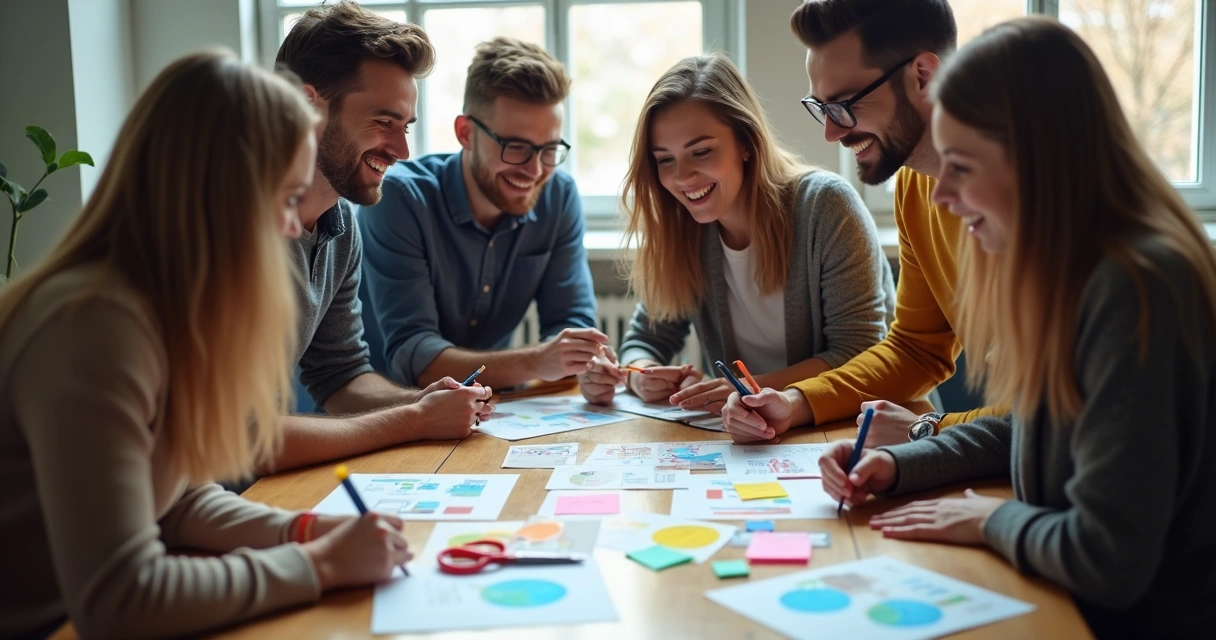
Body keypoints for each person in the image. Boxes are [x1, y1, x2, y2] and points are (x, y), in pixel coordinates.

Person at [818, 18, 1216, 638]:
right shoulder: (1073, 266)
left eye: (962, 166)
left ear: (1037, 155)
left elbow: (1106, 556)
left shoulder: (1133, 287)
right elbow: (1035, 423)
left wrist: (986, 522)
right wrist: (904, 462)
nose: (942, 195)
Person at [0, 51, 412, 640]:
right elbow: (120, 599)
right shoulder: (94, 328)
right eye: (288, 199)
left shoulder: (166, 309)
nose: (296, 229)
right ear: (221, 196)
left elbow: (181, 498)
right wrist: (318, 564)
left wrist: (303, 532)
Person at [722, 0, 1007, 446]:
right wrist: (795, 402)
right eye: (822, 108)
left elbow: (1053, 414)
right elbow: (917, 348)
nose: (831, 133)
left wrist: (925, 430)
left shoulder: (1034, 189)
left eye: (844, 105)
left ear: (923, 77)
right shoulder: (915, 186)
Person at [578, 53, 894, 414]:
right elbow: (645, 340)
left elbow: (859, 353)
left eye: (701, 151)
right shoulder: (684, 227)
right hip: (754, 433)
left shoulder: (826, 206)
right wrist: (638, 375)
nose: (682, 177)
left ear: (746, 142)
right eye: (665, 159)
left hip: (855, 423)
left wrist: (743, 388)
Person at [269, 2, 492, 473]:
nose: (402, 150)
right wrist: (410, 420)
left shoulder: (342, 224)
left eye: (405, 126)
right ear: (306, 105)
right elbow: (244, 435)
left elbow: (340, 375)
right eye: (382, 122)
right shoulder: (227, 225)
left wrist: (419, 402)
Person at [358, 37, 603, 391]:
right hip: (388, 411)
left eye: (549, 150)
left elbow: (571, 325)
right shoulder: (399, 197)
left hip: (488, 410)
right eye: (515, 147)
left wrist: (589, 362)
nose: (534, 171)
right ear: (466, 133)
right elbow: (414, 357)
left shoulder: (558, 195)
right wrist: (537, 361)